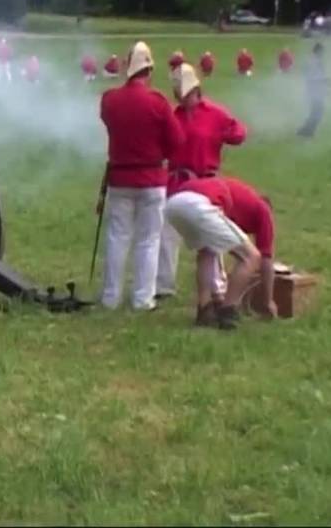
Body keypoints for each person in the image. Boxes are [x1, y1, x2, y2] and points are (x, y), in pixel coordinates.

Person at [97, 41, 185, 311]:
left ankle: (111, 297)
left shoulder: (109, 99)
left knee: (117, 238)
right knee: (149, 241)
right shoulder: (157, 102)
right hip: (151, 180)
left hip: (120, 179)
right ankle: (142, 299)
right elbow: (177, 141)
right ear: (148, 70)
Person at [157, 63, 246, 301]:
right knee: (166, 233)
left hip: (206, 182)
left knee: (211, 235)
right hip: (176, 180)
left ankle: (217, 286)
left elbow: (238, 134)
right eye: (179, 94)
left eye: (186, 93)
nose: (183, 98)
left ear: (196, 89)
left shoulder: (216, 114)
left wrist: (227, 133)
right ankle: (163, 284)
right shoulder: (172, 116)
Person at [164, 175, 278, 329]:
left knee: (207, 252)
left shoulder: (241, 202)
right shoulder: (263, 210)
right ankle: (228, 310)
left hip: (174, 203)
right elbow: (265, 259)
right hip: (199, 204)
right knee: (251, 257)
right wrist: (267, 301)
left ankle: (205, 310)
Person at [297, 43, 330, 138]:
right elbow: (310, 78)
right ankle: (307, 131)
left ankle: (305, 131)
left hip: (318, 92)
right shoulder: (312, 62)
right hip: (313, 92)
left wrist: (326, 87)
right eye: (322, 51)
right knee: (317, 112)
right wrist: (324, 79)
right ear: (318, 51)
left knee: (316, 113)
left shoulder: (317, 61)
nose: (323, 53)